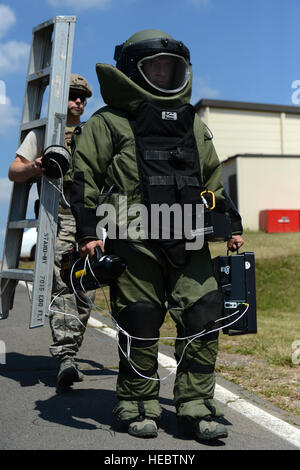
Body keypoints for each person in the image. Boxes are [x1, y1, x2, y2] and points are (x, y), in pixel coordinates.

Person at [70, 30, 244, 442]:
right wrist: (88, 233)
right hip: (134, 242)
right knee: (140, 321)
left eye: (171, 69)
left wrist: (231, 227)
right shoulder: (108, 123)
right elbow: (83, 180)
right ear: (134, 71)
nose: (165, 75)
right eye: (156, 68)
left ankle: (196, 406)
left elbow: (213, 184)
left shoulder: (194, 128)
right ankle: (136, 405)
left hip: (191, 241)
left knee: (203, 316)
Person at [8, 73, 96, 388]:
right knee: (64, 282)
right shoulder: (45, 132)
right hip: (57, 214)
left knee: (88, 286)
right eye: (73, 95)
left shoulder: (93, 132)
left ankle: (70, 349)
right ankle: (66, 355)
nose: (79, 102)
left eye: (83, 97)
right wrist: (39, 165)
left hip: (92, 217)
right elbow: (14, 171)